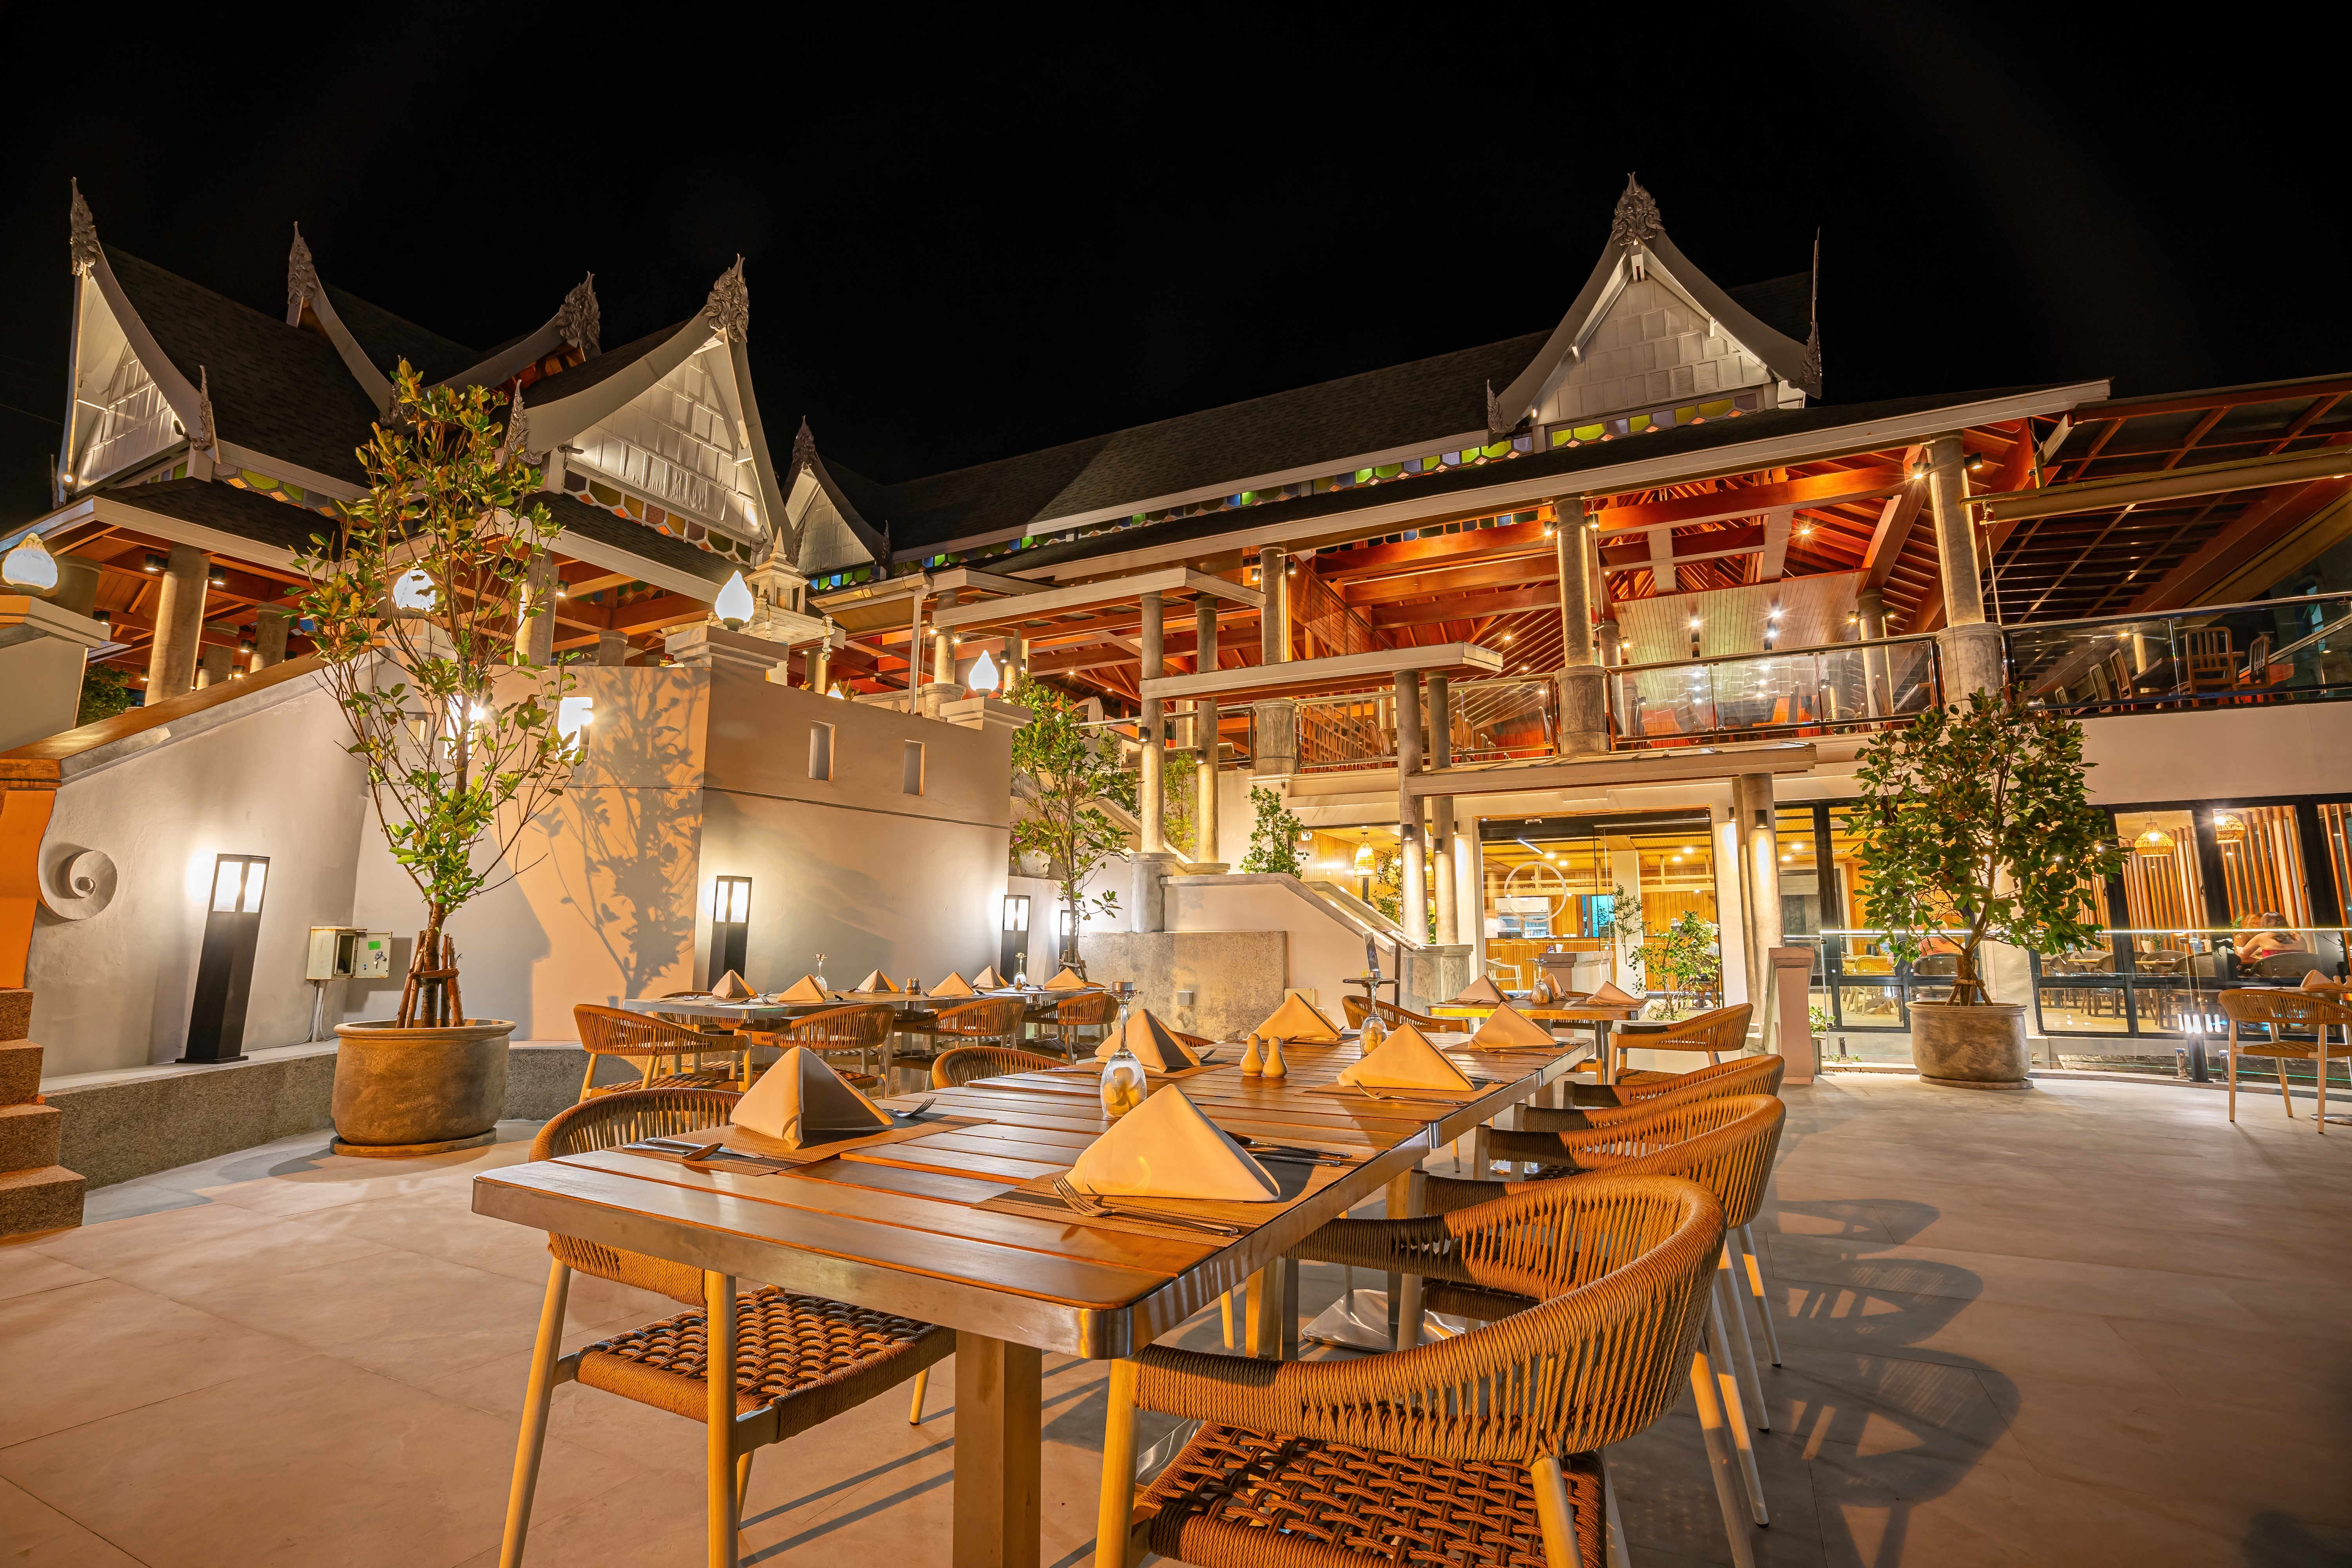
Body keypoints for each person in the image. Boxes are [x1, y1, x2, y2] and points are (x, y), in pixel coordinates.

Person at [2236, 914, 2303, 965]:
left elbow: (2240, 958)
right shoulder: (2299, 938)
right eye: (2257, 924)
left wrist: (2265, 960)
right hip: (2299, 974)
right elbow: (2306, 959)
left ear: (2265, 924)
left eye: (2260, 923)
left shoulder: (2261, 937)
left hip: (2272, 975)